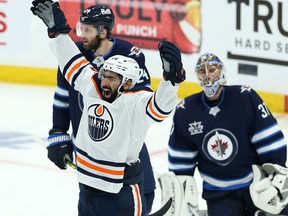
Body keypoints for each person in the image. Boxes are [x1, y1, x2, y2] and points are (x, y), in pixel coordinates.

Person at [30, 1, 186, 215]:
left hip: (121, 191)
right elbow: (71, 62)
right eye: (104, 75)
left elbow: (160, 108)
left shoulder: (134, 103)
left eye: (112, 78)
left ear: (128, 84)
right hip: (87, 186)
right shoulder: (92, 85)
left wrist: (171, 81)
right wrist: (57, 32)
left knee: (147, 195)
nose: (104, 82)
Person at [46, 4, 155, 212]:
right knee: (93, 203)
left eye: (87, 30)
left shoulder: (129, 55)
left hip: (125, 146)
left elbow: (143, 102)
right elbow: (62, 97)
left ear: (103, 31)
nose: (82, 35)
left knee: (146, 194)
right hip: (91, 144)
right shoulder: (75, 53)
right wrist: (58, 133)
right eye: (81, 29)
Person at [164, 53, 288, 216]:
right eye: (202, 71)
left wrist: (275, 176)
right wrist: (180, 192)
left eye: (212, 70)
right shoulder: (186, 111)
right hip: (219, 194)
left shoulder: (245, 98)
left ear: (222, 72)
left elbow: (270, 143)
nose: (207, 76)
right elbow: (180, 164)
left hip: (257, 187)